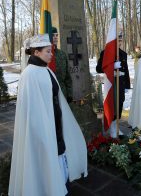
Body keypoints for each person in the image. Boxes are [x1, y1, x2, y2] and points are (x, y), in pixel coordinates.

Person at [9, 34, 87, 196]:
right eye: (47, 51)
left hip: (55, 123)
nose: (51, 54)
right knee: (45, 163)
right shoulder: (29, 74)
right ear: (36, 52)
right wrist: (43, 133)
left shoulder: (46, 71)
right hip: (42, 131)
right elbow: (32, 112)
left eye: (51, 51)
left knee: (59, 158)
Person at [96, 33, 130, 138]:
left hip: (121, 81)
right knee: (112, 104)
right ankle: (111, 126)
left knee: (119, 103)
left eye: (120, 41)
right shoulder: (105, 53)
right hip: (111, 82)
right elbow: (98, 69)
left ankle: (116, 125)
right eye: (117, 41)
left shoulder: (123, 54)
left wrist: (127, 85)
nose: (119, 43)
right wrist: (112, 66)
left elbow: (126, 70)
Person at [52, 27, 73, 102]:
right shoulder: (43, 56)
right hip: (49, 95)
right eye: (53, 35)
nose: (55, 37)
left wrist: (69, 94)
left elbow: (67, 76)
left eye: (56, 35)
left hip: (62, 92)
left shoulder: (62, 54)